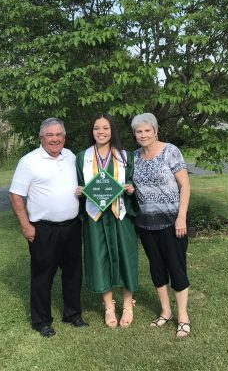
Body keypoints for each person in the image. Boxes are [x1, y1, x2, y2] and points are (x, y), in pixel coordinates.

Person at [9, 117, 88, 338]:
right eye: (50, 135)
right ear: (41, 138)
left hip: (72, 227)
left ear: (64, 136)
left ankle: (73, 314)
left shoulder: (71, 156)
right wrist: (25, 225)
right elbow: (15, 195)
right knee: (43, 275)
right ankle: (41, 321)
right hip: (43, 229)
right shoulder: (29, 161)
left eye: (59, 135)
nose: (55, 139)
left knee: (73, 273)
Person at [76, 114, 138, 328]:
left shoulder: (125, 156)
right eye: (96, 128)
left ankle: (128, 305)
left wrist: (131, 188)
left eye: (105, 128)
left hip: (120, 214)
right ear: (91, 131)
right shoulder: (82, 157)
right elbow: (79, 182)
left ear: (113, 130)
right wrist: (80, 190)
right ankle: (109, 306)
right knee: (99, 258)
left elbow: (131, 180)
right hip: (95, 216)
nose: (100, 132)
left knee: (125, 257)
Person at [131, 113, 191, 338]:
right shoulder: (134, 157)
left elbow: (184, 185)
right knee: (156, 269)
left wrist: (181, 217)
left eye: (147, 130)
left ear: (155, 131)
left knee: (176, 268)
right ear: (135, 134)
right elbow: (136, 186)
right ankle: (165, 312)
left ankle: (183, 317)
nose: (144, 134)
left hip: (172, 223)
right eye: (139, 131)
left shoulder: (170, 151)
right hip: (145, 225)